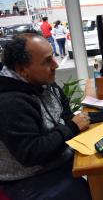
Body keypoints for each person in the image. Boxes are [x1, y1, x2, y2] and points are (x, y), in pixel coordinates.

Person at [0, 32, 92, 200]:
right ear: (22, 70)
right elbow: (32, 153)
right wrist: (70, 128)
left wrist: (68, 126)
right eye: (47, 61)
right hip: (30, 179)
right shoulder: (10, 102)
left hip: (59, 160)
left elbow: (66, 113)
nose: (56, 65)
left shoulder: (43, 81)